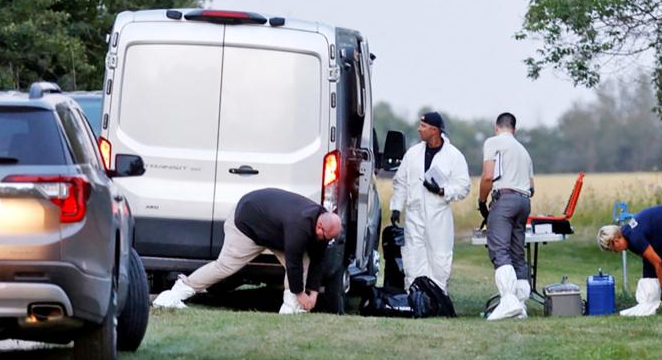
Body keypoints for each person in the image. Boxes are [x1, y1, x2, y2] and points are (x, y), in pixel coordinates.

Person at [153, 188, 342, 313]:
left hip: (274, 230)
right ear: (319, 226)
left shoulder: (324, 228)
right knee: (225, 266)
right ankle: (174, 294)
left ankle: (290, 310)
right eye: (325, 237)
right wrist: (302, 295)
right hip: (246, 223)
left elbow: (318, 258)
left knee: (305, 261)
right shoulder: (299, 225)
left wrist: (314, 295)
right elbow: (292, 263)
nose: (325, 241)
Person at [389, 111, 470, 292]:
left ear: (434, 130)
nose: (419, 129)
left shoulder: (453, 156)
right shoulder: (412, 154)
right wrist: (396, 207)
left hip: (439, 217)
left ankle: (437, 298)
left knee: (439, 259)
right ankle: (414, 297)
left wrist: (442, 191)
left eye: (423, 126)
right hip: (414, 215)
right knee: (413, 257)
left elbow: (464, 186)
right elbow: (400, 181)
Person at [597, 204, 662, 317]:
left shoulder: (634, 236)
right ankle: (649, 304)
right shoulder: (628, 235)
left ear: (616, 241)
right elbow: (651, 262)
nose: (616, 252)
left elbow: (658, 263)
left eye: (613, 249)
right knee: (649, 267)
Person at [478, 112, 535, 320]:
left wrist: (481, 201)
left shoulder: (493, 142)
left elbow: (488, 176)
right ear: (514, 129)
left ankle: (508, 302)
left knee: (500, 251)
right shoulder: (524, 151)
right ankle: (521, 306)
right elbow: (532, 187)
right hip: (524, 201)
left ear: (496, 127)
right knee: (517, 254)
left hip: (505, 199)